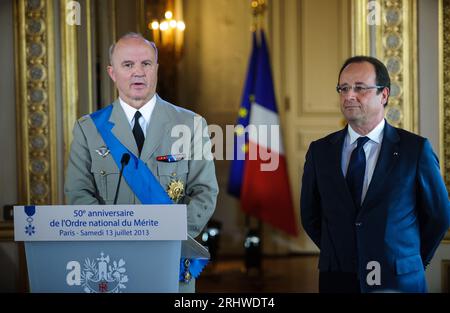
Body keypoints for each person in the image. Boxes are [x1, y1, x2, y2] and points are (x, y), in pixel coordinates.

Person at [64, 32, 219, 292]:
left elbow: (205, 192)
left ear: (156, 69)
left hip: (171, 258)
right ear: (112, 73)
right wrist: (117, 236)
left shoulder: (190, 125)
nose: (138, 72)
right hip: (112, 264)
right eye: (128, 65)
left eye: (146, 64)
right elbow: (78, 194)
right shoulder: (88, 129)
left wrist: (168, 234)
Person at [300, 55, 450, 293]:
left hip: (398, 280)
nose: (349, 95)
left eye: (360, 88)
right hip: (338, 279)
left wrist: (409, 260)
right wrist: (343, 251)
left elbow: (438, 216)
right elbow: (310, 216)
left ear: (384, 95)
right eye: (344, 88)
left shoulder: (415, 150)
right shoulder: (320, 152)